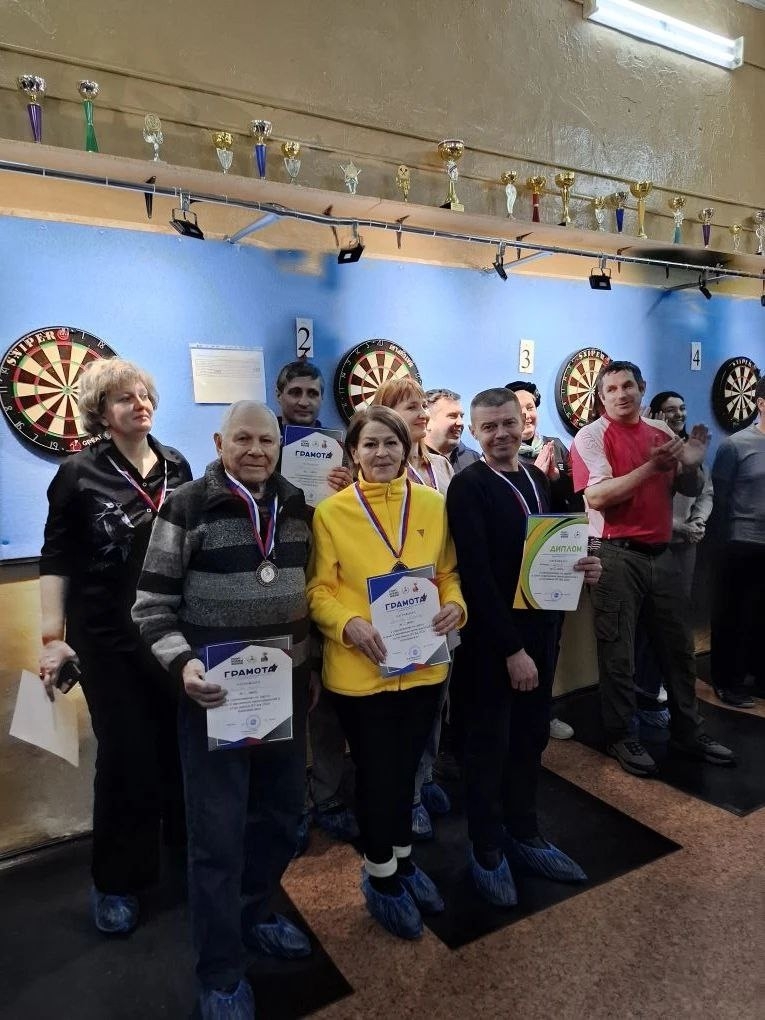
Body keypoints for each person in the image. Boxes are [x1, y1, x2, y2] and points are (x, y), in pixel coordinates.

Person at [133, 401, 314, 1020]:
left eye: (267, 440)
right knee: (216, 838)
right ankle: (219, 971)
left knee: (284, 818)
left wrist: (310, 671)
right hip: (214, 702)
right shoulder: (185, 507)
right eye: (243, 439)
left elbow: (304, 597)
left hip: (283, 696)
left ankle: (254, 914)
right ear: (219, 442)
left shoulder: (297, 507)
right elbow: (151, 605)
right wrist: (184, 665)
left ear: (280, 444)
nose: (256, 450)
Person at [37, 358, 192, 935]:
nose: (139, 403)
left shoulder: (176, 464)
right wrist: (52, 639)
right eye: (124, 397)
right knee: (127, 756)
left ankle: (185, 856)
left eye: (144, 394)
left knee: (179, 747)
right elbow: (56, 559)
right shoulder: (77, 473)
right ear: (101, 412)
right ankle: (116, 882)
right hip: (106, 639)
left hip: (170, 633)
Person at [307, 405, 466, 939]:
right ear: (353, 452)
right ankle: (380, 876)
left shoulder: (433, 504)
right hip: (362, 672)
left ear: (406, 448)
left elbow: (447, 573)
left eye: (391, 443)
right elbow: (318, 591)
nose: (381, 453)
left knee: (406, 772)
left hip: (422, 667)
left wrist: (456, 606)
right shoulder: (332, 513)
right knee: (377, 775)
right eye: (370, 444)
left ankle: (402, 860)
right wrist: (347, 623)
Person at [446, 388, 600, 907]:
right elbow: (476, 576)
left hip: (542, 633)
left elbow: (553, 549)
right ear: (475, 432)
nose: (501, 434)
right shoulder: (469, 487)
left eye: (508, 423)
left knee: (531, 737)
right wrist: (511, 650)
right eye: (489, 427)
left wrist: (585, 566)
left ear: (522, 423)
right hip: (493, 643)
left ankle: (525, 831)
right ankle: (487, 847)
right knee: (488, 744)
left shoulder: (537, 478)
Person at [570, 361, 734, 778]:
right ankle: (622, 735)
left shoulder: (661, 432)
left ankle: (689, 732)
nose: (621, 394)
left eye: (628, 386)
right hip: (613, 553)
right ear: (601, 398)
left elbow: (688, 488)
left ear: (642, 388)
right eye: (611, 389)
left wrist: (691, 464)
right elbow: (598, 497)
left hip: (662, 554)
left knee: (678, 649)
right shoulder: (591, 436)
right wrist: (651, 468)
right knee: (618, 653)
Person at [274, 360, 358, 850]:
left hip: (327, 586)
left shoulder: (337, 448)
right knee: (284, 704)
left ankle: (326, 796)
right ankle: (290, 807)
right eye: (296, 392)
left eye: (313, 393)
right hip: (278, 592)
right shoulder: (264, 445)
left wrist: (346, 489)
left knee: (325, 705)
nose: (304, 401)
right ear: (279, 394)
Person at [371, 378, 454, 838]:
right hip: (391, 613)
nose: (422, 414)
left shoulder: (441, 466)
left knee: (435, 702)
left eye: (423, 406)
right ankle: (409, 795)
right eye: (409, 408)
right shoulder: (373, 471)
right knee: (399, 715)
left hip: (436, 608)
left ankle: (425, 777)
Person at [505, 380, 584, 742]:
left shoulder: (557, 448)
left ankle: (543, 714)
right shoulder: (495, 458)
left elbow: (574, 506)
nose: (526, 414)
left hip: (553, 568)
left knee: (549, 644)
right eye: (517, 408)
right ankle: (513, 720)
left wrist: (556, 481)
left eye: (531, 407)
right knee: (513, 647)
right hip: (512, 571)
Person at [633, 390, 714, 724]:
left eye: (682, 408)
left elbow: (705, 492)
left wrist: (698, 522)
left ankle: (669, 687)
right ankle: (646, 690)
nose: (678, 414)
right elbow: (642, 499)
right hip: (656, 544)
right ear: (656, 414)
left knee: (677, 622)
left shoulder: (690, 449)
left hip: (685, 547)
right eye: (670, 410)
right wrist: (678, 527)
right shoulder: (648, 449)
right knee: (650, 622)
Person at [708, 376, 765, 708]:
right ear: (761, 403)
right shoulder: (735, 445)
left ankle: (758, 677)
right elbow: (719, 498)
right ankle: (726, 681)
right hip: (741, 542)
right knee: (734, 615)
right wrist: (721, 547)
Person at [424, 387, 481, 472]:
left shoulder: (475, 460)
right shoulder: (410, 460)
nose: (460, 423)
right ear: (427, 420)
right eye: (452, 416)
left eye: (461, 416)